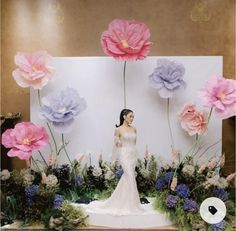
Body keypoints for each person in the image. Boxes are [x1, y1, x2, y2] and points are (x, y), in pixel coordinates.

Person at [86, 109, 144, 215]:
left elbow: (134, 144)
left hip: (132, 155)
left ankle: (126, 202)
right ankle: (131, 205)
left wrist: (135, 156)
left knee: (127, 178)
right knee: (129, 176)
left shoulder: (134, 129)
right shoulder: (118, 130)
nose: (132, 119)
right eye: (130, 116)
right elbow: (116, 146)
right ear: (124, 116)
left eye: (133, 117)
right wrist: (113, 160)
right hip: (124, 155)